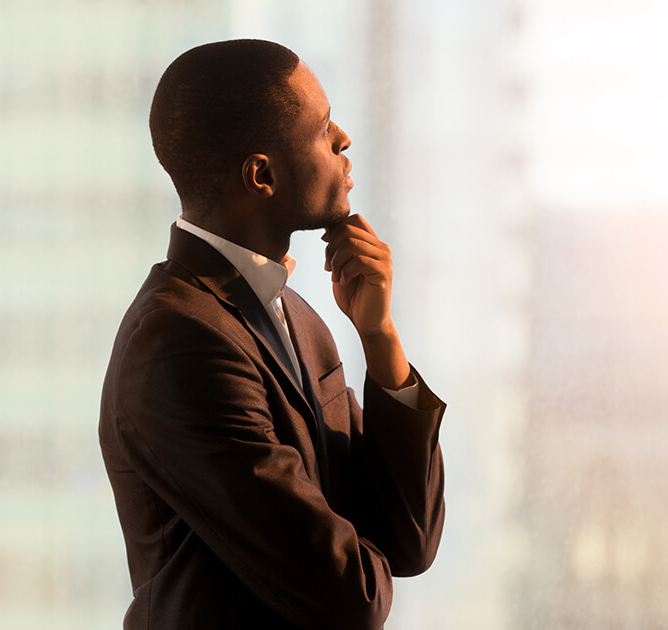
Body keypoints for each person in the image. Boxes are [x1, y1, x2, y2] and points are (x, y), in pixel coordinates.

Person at [98, 39, 446, 630]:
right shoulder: (178, 343)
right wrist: (359, 543)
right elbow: (349, 598)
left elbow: (409, 539)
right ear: (261, 175)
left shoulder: (303, 321)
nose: (344, 141)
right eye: (323, 127)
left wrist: (380, 339)